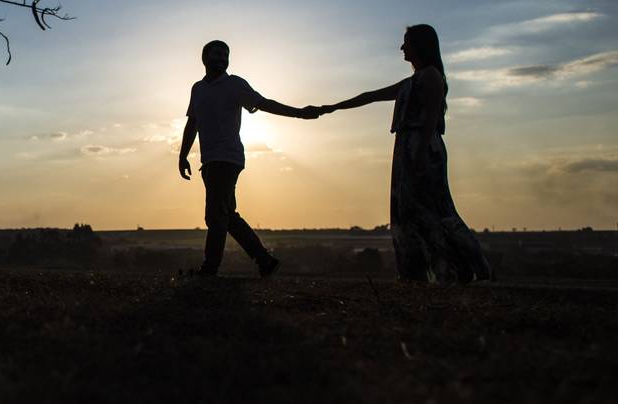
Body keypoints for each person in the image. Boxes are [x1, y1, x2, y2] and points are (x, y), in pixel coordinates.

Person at [316, 24, 492, 283]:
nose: (402, 47)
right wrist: (331, 107)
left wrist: (419, 155)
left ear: (420, 45)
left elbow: (431, 117)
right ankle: (417, 273)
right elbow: (371, 96)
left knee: (437, 211)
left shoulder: (431, 77)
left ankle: (468, 269)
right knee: (407, 213)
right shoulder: (413, 81)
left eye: (406, 42)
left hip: (422, 148)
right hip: (407, 148)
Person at [178, 40, 319, 277]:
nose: (222, 58)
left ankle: (209, 268)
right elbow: (192, 122)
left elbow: (262, 103)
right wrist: (182, 155)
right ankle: (265, 260)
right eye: (217, 54)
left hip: (227, 158)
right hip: (210, 160)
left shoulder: (235, 85)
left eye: (226, 55)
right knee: (227, 216)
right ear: (204, 58)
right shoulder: (197, 89)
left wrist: (299, 114)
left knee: (215, 214)